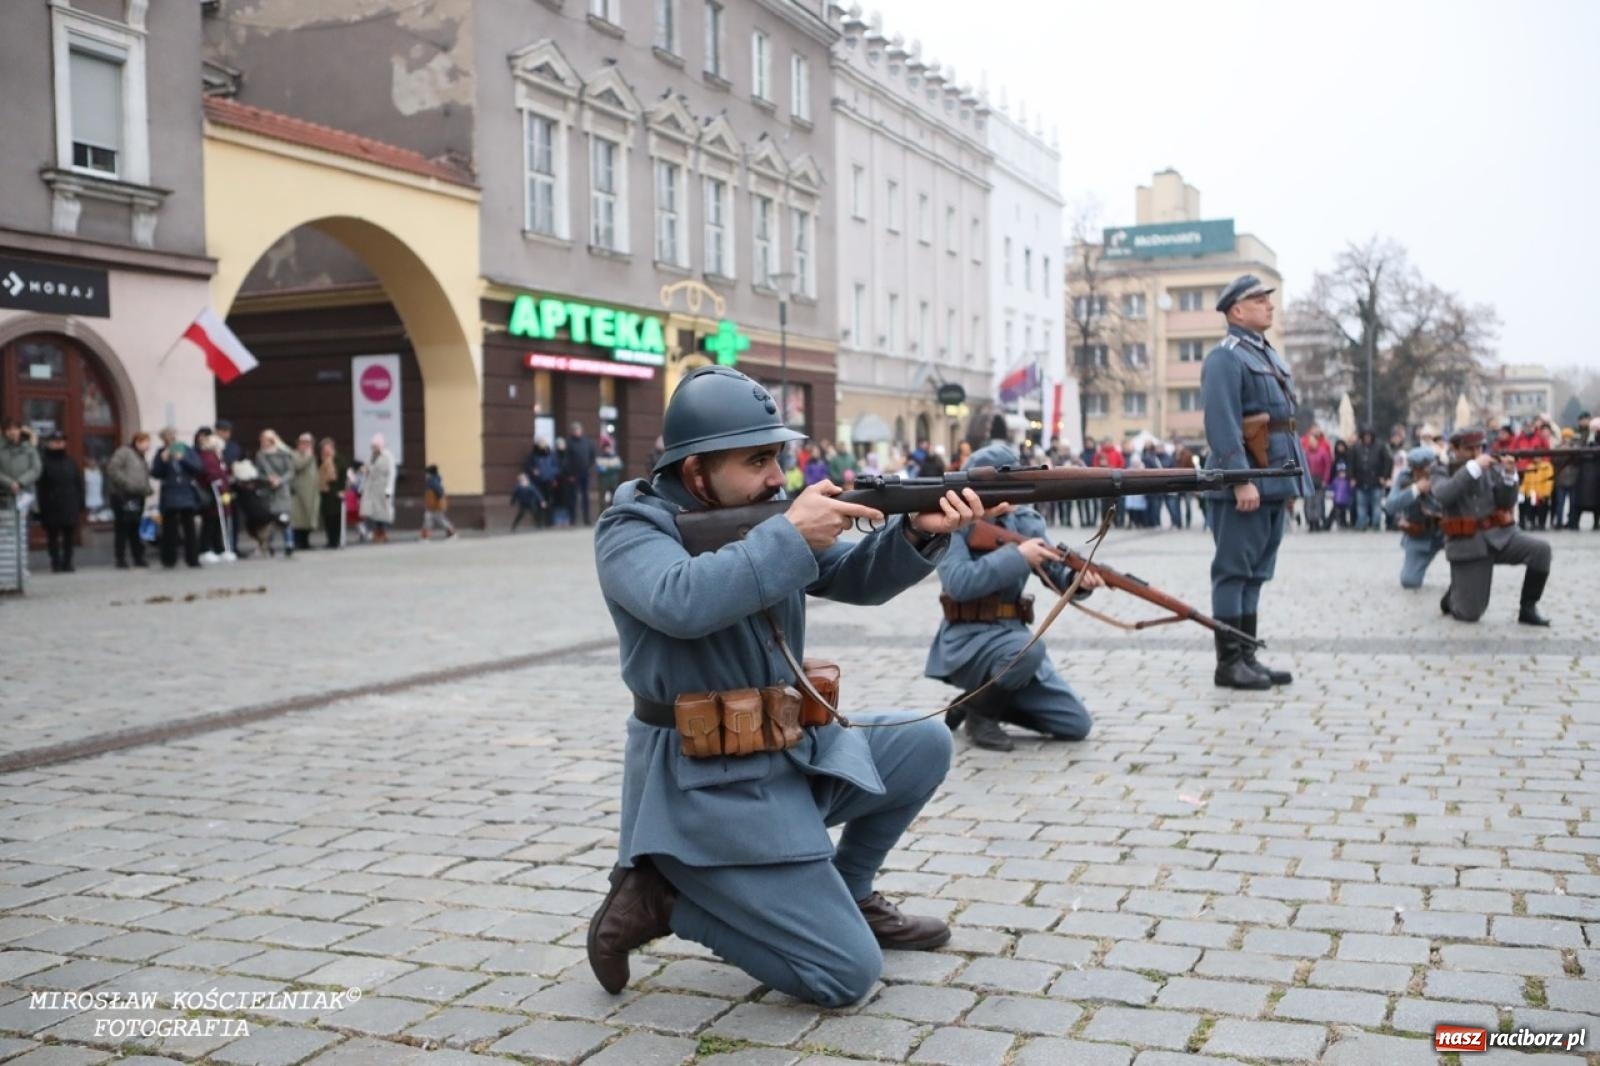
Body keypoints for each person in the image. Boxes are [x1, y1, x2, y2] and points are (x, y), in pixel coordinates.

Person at [587, 365, 992, 1008]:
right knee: (845, 977)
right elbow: (679, 601)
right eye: (757, 460)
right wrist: (787, 536)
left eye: (777, 456)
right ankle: (667, 897)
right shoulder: (631, 529)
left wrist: (917, 532)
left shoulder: (756, 518)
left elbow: (857, 577)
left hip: (785, 751)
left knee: (924, 742)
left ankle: (850, 891)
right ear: (696, 474)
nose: (778, 475)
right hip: (705, 787)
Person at [926, 440, 1103, 751]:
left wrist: (1079, 581)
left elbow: (1055, 573)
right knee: (1030, 650)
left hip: (1012, 640)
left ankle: (977, 699)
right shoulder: (954, 524)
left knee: (1075, 723)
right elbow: (958, 582)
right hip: (967, 638)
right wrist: (1018, 557)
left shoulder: (1026, 520)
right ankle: (981, 715)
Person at [1200, 274, 1311, 690]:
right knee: (1233, 572)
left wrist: (1287, 489)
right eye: (1259, 299)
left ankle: (1246, 656)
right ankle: (1228, 664)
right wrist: (1240, 480)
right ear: (1236, 311)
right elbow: (1223, 422)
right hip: (1245, 483)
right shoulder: (1225, 357)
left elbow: (1281, 425)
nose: (1269, 304)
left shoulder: (1265, 355)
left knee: (1256, 573)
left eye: (1269, 298)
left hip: (1272, 480)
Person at [1434, 428, 1551, 625]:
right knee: (1469, 614)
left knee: (1541, 551)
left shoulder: (1490, 467)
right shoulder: (1441, 469)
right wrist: (1472, 469)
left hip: (1501, 536)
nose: (1476, 453)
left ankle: (1528, 608)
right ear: (1454, 449)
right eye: (1469, 449)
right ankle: (1455, 594)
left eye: (1479, 448)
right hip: (1468, 544)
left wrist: (1508, 475)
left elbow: (1506, 502)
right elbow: (1443, 495)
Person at [1384, 445, 1447, 589]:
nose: (1420, 473)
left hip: (1445, 532)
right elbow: (1390, 506)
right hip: (1419, 535)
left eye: (1424, 468)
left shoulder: (1443, 475)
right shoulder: (1405, 478)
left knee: (1464, 573)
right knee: (1409, 581)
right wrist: (1415, 489)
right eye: (1416, 469)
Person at [150, 427, 204, 569]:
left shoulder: (186, 449)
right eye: (167, 438)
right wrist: (162, 460)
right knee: (169, 529)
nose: (170, 440)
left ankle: (192, 559)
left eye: (172, 436)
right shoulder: (161, 453)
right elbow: (155, 473)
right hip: (170, 494)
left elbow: (198, 467)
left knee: (190, 528)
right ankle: (169, 560)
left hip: (186, 492)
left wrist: (183, 459)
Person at [36, 431, 84, 573]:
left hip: (69, 504)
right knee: (53, 536)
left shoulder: (70, 461)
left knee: (69, 536)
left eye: (61, 441)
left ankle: (68, 562)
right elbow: (40, 487)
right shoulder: (43, 462)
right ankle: (55, 562)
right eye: (55, 441)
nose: (58, 444)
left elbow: (78, 483)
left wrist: (81, 502)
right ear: (49, 443)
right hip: (51, 505)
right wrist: (40, 507)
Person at [106, 431, 153, 568]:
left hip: (138, 496)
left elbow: (142, 476)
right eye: (145, 442)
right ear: (138, 441)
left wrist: (146, 489)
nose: (147, 446)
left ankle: (138, 557)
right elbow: (112, 469)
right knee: (122, 528)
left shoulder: (141, 457)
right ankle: (120, 558)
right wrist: (127, 484)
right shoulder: (124, 452)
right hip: (122, 496)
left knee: (135, 528)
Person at [255, 429, 297, 557]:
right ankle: (269, 545)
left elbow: (290, 471)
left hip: (281, 491)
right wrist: (267, 479)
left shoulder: (283, 454)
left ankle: (289, 543)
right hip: (267, 491)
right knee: (270, 520)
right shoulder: (260, 455)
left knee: (284, 518)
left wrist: (280, 480)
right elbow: (257, 473)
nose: (263, 442)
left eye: (265, 440)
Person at [1350, 428, 1391, 531]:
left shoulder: (1380, 447)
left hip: (1376, 481)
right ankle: (1362, 524)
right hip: (1360, 481)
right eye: (1365, 436)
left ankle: (1375, 524)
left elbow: (1388, 461)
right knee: (1361, 505)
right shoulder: (1356, 448)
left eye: (1369, 436)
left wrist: (1384, 476)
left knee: (1376, 505)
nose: (1367, 438)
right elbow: (1351, 464)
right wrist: (1352, 477)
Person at [360, 434, 396, 543]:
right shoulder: (371, 457)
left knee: (383, 512)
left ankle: (382, 533)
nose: (373, 448)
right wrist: (365, 471)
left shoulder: (387, 456)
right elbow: (368, 469)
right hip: (372, 489)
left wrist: (389, 489)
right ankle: (377, 532)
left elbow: (391, 473)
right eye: (372, 446)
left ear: (380, 446)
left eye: (375, 446)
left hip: (383, 488)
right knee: (374, 513)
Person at [290, 432, 321, 550]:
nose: (306, 445)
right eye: (303, 443)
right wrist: (308, 457)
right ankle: (298, 542)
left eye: (309, 443)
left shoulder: (311, 455)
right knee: (299, 519)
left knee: (309, 517)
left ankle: (306, 541)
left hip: (312, 492)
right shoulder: (294, 454)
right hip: (299, 493)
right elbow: (297, 466)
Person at [563, 420, 598, 526]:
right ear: (572, 431)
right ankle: (572, 519)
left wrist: (590, 468)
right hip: (573, 474)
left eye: (578, 429)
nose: (577, 431)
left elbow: (593, 455)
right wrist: (569, 474)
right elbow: (566, 460)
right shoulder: (569, 443)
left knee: (585, 497)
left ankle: (586, 519)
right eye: (575, 430)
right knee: (573, 497)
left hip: (585, 473)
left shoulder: (587, 442)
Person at [1300, 424, 1333, 532]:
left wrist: (1325, 480)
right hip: (1309, 479)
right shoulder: (1306, 453)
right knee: (1309, 502)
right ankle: (1311, 521)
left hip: (1319, 479)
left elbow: (1327, 466)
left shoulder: (1323, 452)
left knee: (1318, 502)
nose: (1311, 443)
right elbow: (1303, 467)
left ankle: (1317, 521)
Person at [317, 438, 344, 548]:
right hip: (325, 493)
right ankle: (330, 540)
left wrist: (343, 490)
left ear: (332, 448)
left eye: (328, 448)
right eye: (324, 449)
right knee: (327, 518)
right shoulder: (320, 460)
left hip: (337, 493)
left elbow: (343, 476)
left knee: (336, 518)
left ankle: (336, 540)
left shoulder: (339, 460)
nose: (326, 451)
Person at [420, 464, 457, 540]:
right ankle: (451, 532)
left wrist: (439, 500)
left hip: (434, 504)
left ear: (429, 473)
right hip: (434, 504)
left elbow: (439, 491)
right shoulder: (435, 479)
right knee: (437, 519)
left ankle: (425, 536)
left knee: (429, 518)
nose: (426, 475)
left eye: (427, 473)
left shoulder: (431, 480)